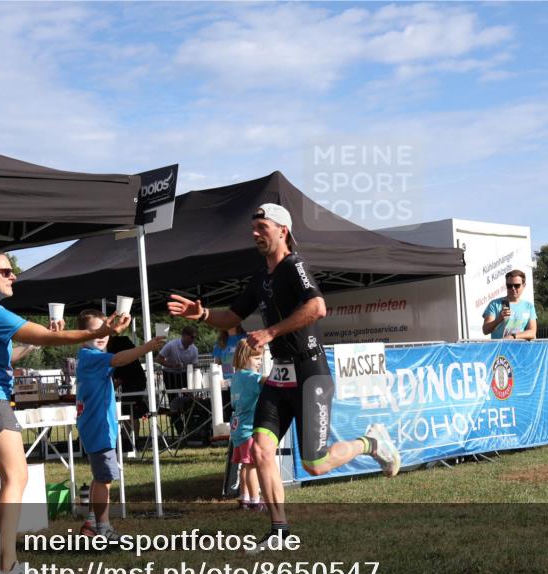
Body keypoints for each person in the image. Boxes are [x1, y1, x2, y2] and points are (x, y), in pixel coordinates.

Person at [167, 203, 401, 550]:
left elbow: (317, 307)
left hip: (310, 373)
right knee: (261, 450)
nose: (255, 233)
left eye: (262, 227)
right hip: (279, 375)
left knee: (315, 464)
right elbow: (231, 316)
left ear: (283, 231)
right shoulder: (260, 278)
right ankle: (279, 532)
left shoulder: (295, 266)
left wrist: (271, 332)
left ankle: (371, 443)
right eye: (253, 228)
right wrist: (201, 314)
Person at [0, 250, 130, 574]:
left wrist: (37, 343)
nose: (13, 276)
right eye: (5, 271)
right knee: (15, 477)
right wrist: (97, 332)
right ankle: (6, 565)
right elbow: (51, 336)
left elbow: (6, 354)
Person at [74, 309, 164, 539]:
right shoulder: (91, 357)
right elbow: (119, 359)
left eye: (104, 330)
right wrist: (147, 347)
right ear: (82, 335)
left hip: (97, 427)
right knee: (104, 478)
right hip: (98, 428)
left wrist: (113, 331)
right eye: (96, 331)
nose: (102, 335)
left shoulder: (88, 355)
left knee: (100, 476)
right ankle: (103, 528)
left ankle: (92, 523)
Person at [229, 339, 266, 512]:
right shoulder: (250, 377)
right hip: (248, 429)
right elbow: (266, 380)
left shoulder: (236, 376)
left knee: (244, 465)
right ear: (245, 357)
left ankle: (244, 498)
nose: (260, 363)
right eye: (257, 358)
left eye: (261, 359)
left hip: (237, 429)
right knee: (252, 466)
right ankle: (255, 500)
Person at [482, 270, 537, 340]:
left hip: (520, 346)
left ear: (524, 285)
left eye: (517, 285)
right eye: (509, 286)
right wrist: (499, 319)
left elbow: (532, 332)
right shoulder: (494, 304)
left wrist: (513, 337)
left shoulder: (529, 306)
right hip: (500, 347)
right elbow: (485, 330)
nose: (513, 288)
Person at [156, 325, 199, 391]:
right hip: (169, 375)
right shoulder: (171, 345)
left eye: (194, 337)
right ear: (184, 335)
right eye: (192, 337)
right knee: (172, 395)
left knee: (187, 395)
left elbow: (194, 366)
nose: (193, 339)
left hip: (185, 375)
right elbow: (158, 359)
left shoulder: (194, 349)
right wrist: (172, 366)